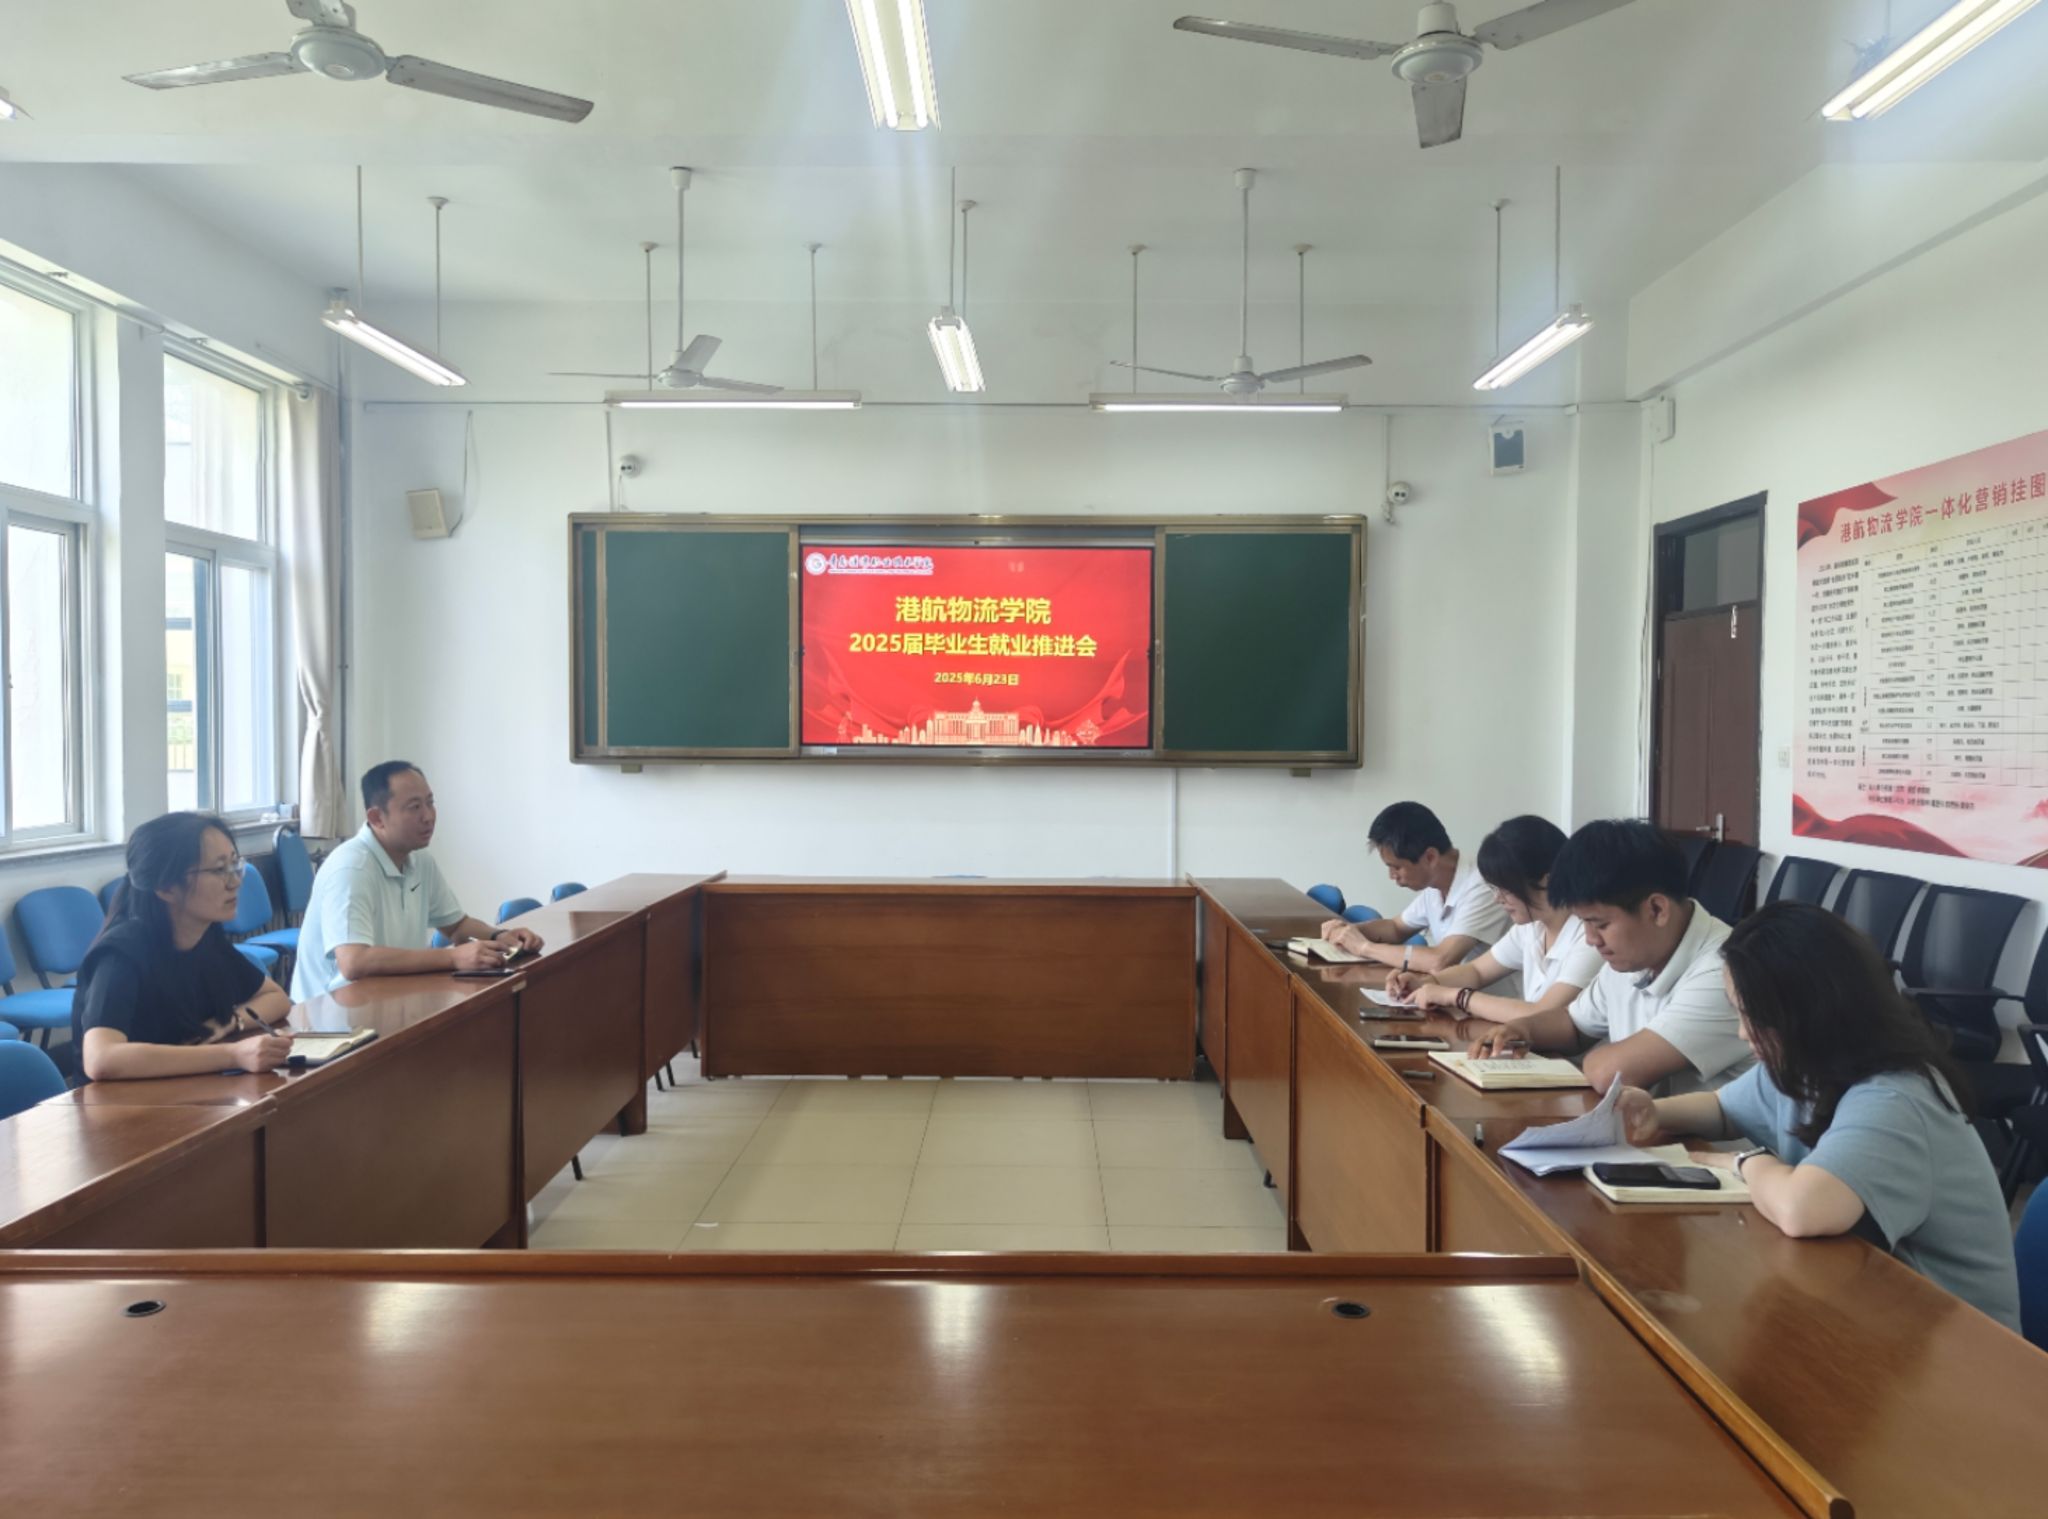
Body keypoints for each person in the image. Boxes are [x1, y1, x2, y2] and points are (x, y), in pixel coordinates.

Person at [1613, 903, 2022, 1332]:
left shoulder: (1894, 1097)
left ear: (1808, 1011)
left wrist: (1745, 1163)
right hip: (1879, 1313)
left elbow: (1802, 1210)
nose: (1742, 1032)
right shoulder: (1811, 1063)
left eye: (1753, 1016)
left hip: (1963, 1346)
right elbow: (1723, 1107)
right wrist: (1655, 1111)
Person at [1466, 819, 1750, 1094]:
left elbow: (1611, 1073)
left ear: (1656, 910)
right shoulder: (1635, 954)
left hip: (1697, 1130)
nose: (1591, 939)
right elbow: (1574, 1026)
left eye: (1600, 924)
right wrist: (1521, 1030)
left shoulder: (1725, 971)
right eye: (1583, 923)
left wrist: (1595, 1059)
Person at [291, 761, 543, 1001]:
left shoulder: (419, 859)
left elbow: (456, 925)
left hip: (389, 995)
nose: (428, 816)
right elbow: (354, 962)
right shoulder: (351, 868)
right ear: (377, 818)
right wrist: (452, 958)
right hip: (328, 1015)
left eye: (430, 803)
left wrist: (500, 936)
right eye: (414, 807)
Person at [72, 812, 295, 1081]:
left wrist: (227, 1022)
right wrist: (233, 1054)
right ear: (166, 888)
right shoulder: (121, 954)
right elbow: (101, 1059)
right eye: (219, 870)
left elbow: (276, 997)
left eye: (235, 864)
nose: (235, 881)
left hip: (185, 1088)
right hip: (123, 1100)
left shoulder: (205, 937)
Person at [1385, 815, 1603, 1024]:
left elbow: (1542, 1013)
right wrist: (1425, 983)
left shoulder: (1589, 936)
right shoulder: (1532, 926)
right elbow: (1477, 971)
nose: (1498, 899)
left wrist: (1457, 997)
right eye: (1494, 888)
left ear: (1547, 880)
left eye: (1506, 889)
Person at [1319, 801, 1510, 976]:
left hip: (1494, 1001)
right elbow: (1395, 928)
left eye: (1396, 867)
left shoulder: (1484, 886)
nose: (1392, 876)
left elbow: (1440, 960)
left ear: (1430, 857)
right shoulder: (1435, 884)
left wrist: (1364, 947)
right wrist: (1348, 931)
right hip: (1453, 994)